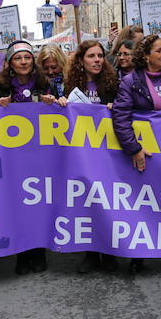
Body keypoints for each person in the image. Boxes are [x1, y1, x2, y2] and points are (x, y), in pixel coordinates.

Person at [111, 35, 161, 275]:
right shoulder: (130, 82)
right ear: (146, 56)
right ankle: (140, 254)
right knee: (143, 205)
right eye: (159, 51)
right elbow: (120, 118)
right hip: (145, 152)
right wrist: (134, 148)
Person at [0, 40, 57, 275]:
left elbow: (62, 110)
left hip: (40, 156)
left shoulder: (45, 83)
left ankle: (39, 251)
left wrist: (55, 102)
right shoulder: (1, 86)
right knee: (17, 205)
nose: (23, 62)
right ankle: (22, 254)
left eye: (27, 58)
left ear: (33, 61)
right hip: (13, 158)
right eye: (18, 58)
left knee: (39, 203)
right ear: (10, 63)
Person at [59, 40, 120, 273]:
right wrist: (62, 104)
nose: (97, 60)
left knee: (108, 202)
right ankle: (91, 254)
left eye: (100, 56)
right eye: (92, 56)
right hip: (83, 155)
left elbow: (125, 109)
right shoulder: (72, 85)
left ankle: (110, 253)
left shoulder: (112, 83)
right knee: (88, 204)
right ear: (81, 61)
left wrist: (117, 106)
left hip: (108, 153)